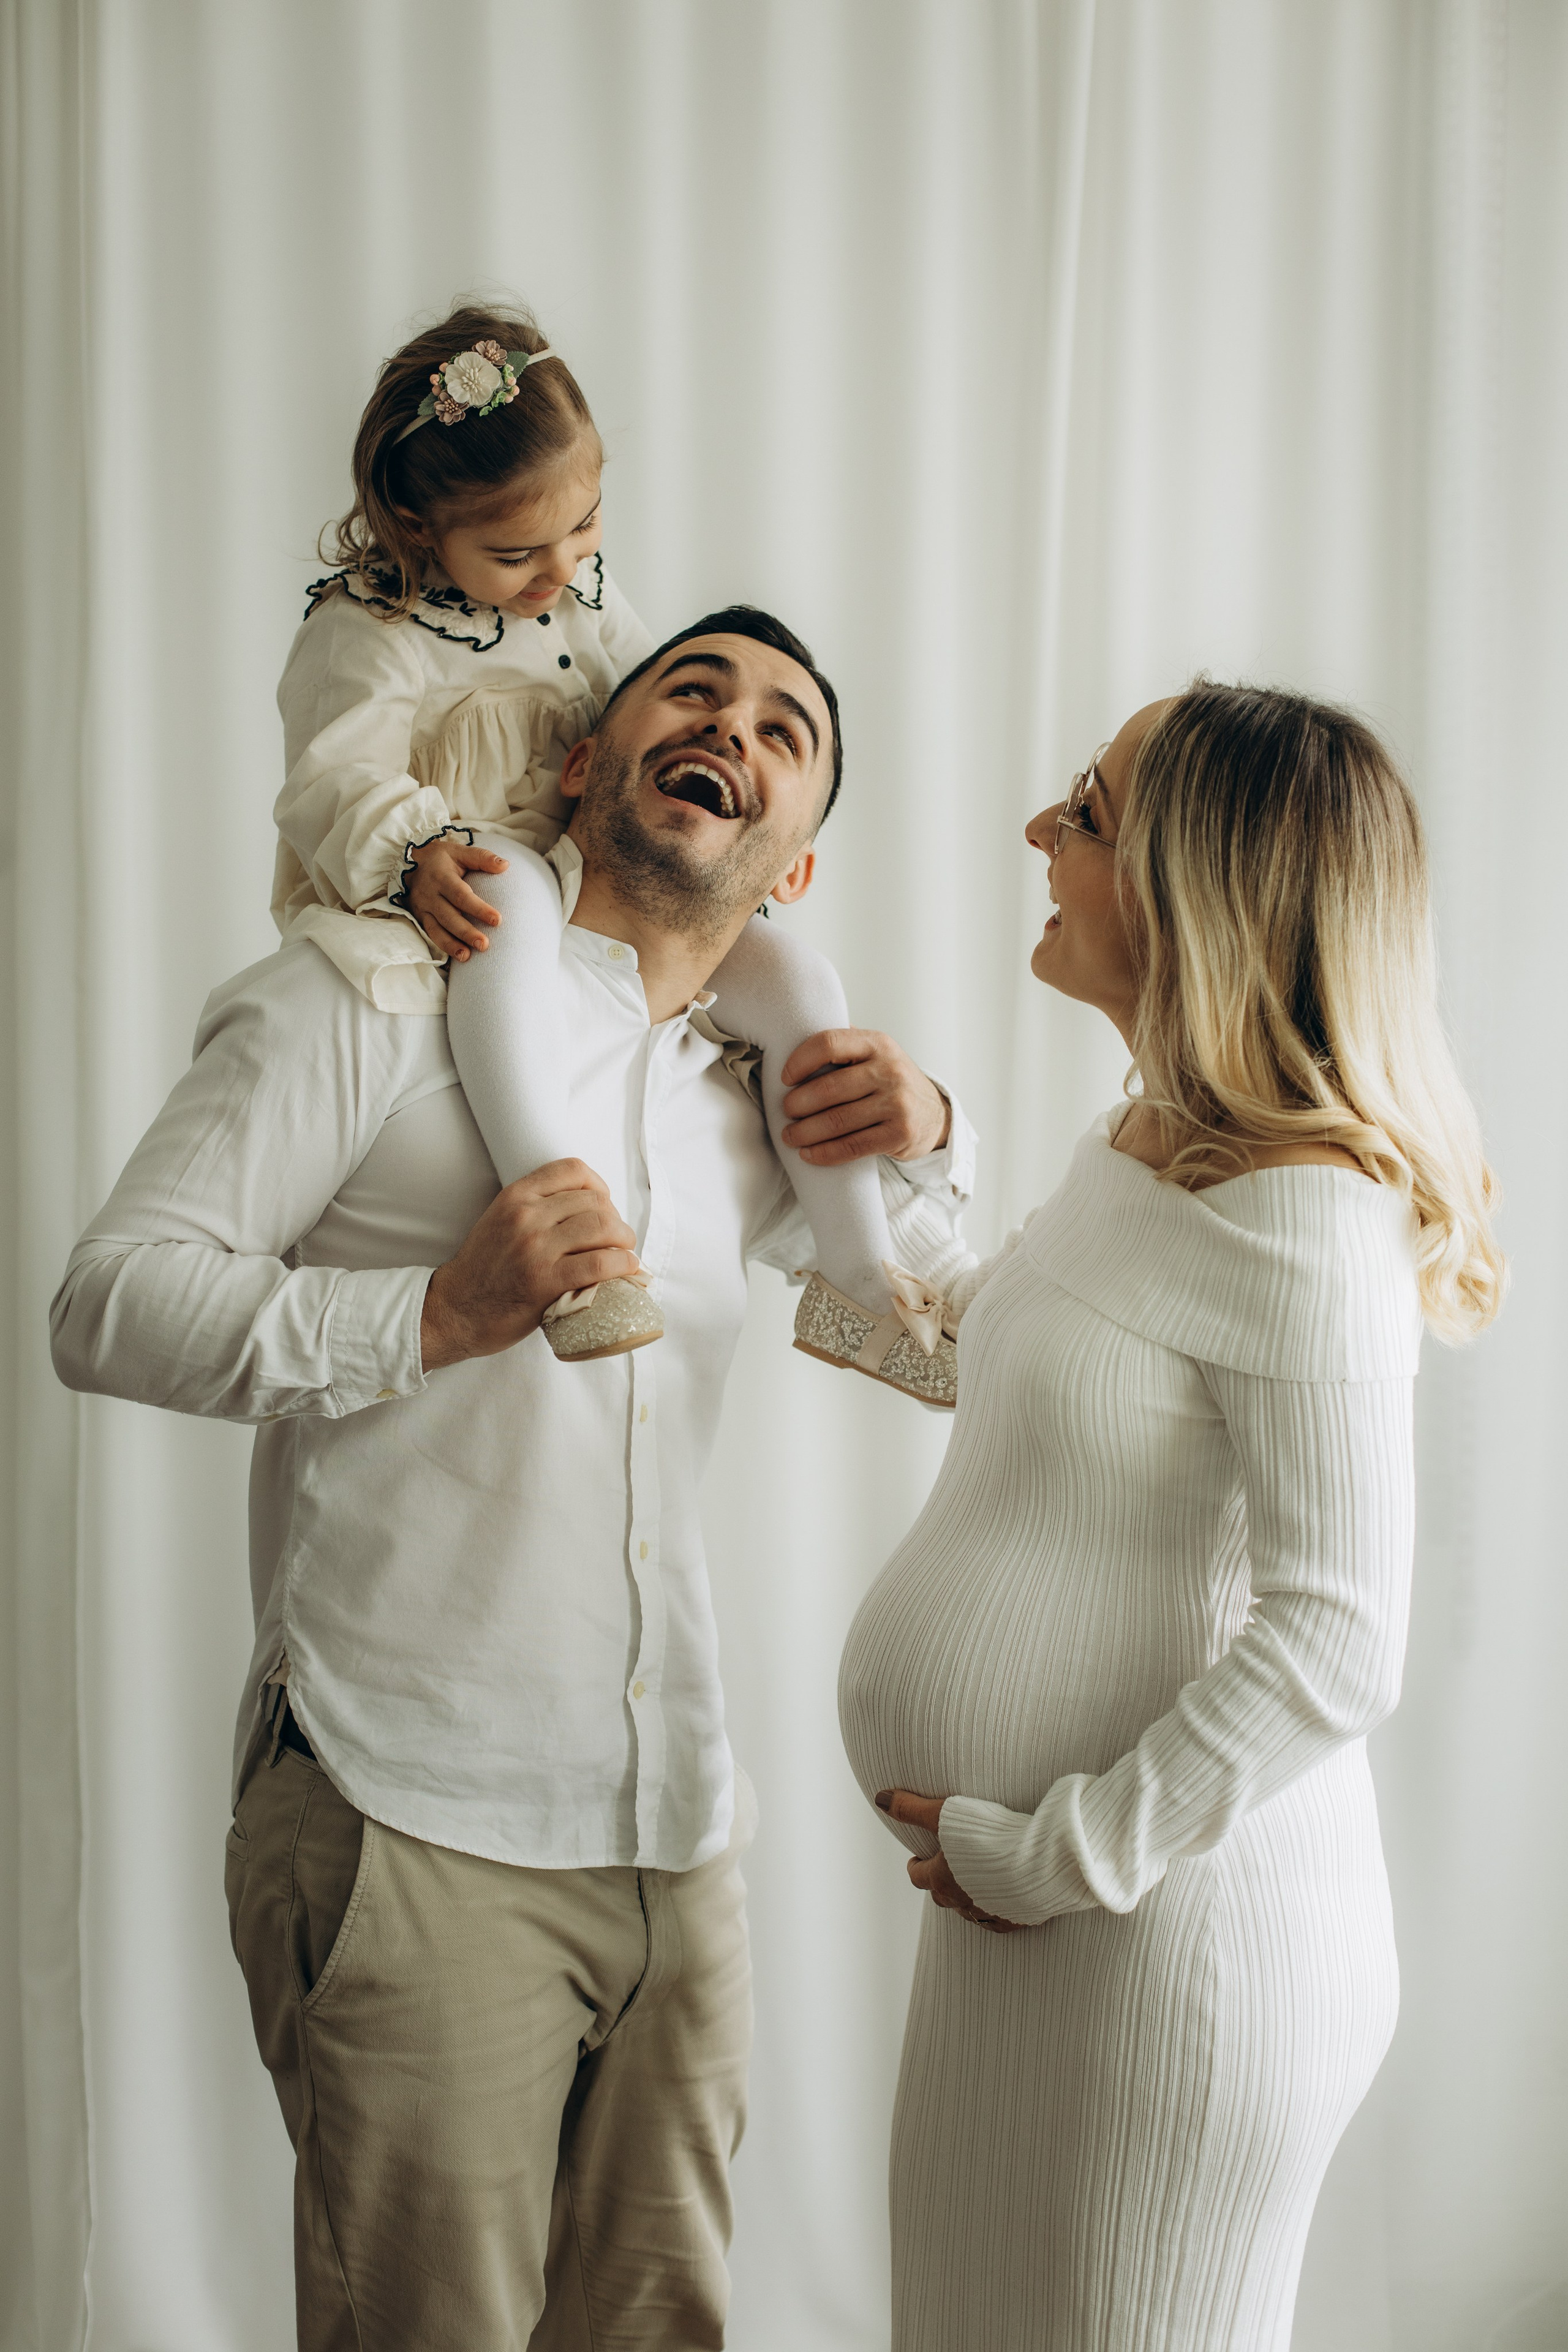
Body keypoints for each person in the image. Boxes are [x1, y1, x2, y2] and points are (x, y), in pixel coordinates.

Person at [51, 611, 975, 2350]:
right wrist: (433, 1314)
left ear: (793, 867)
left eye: (785, 729)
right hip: (405, 1811)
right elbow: (105, 1307)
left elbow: (940, 1330)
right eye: (694, 690)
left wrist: (933, 1125)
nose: (734, 726)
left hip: (676, 1839)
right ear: (580, 762)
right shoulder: (363, 995)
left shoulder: (757, 1106)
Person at [839, 683, 1504, 2350]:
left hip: (1163, 1939)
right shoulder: (1146, 1143)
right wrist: (852, 1171)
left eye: (1085, 811)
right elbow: (987, 1354)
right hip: (1020, 1920)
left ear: (1198, 888)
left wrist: (1056, 1857)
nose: (1037, 832)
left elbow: (1339, 1639)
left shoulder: (1309, 1218)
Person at [274, 296, 936, 1390]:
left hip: (596, 873)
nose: (561, 568)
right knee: (509, 903)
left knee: (797, 978)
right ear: (414, 523)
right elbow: (333, 774)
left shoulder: (577, 585)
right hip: (474, 868)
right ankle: (565, 1223)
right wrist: (412, 850)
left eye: (585, 526)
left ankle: (862, 1270)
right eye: (515, 552)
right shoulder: (370, 631)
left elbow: (650, 693)